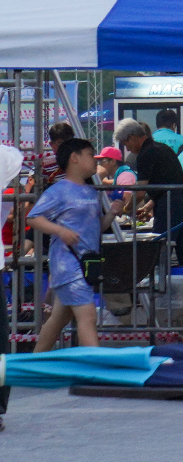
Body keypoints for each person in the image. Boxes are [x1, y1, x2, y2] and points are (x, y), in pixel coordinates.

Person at [30, 138, 106, 352]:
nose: (95, 160)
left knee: (58, 319)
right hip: (68, 264)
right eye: (91, 155)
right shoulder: (59, 190)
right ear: (74, 158)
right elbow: (33, 217)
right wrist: (60, 231)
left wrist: (112, 214)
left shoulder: (91, 192)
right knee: (88, 316)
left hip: (84, 264)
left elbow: (96, 227)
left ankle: (35, 360)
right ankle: (95, 367)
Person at [118, 119, 183, 266]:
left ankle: (159, 284)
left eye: (127, 145)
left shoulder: (145, 154)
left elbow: (140, 192)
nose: (128, 149)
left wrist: (126, 209)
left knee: (160, 248)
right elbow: (169, 182)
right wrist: (148, 206)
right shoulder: (163, 149)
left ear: (132, 138)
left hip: (170, 205)